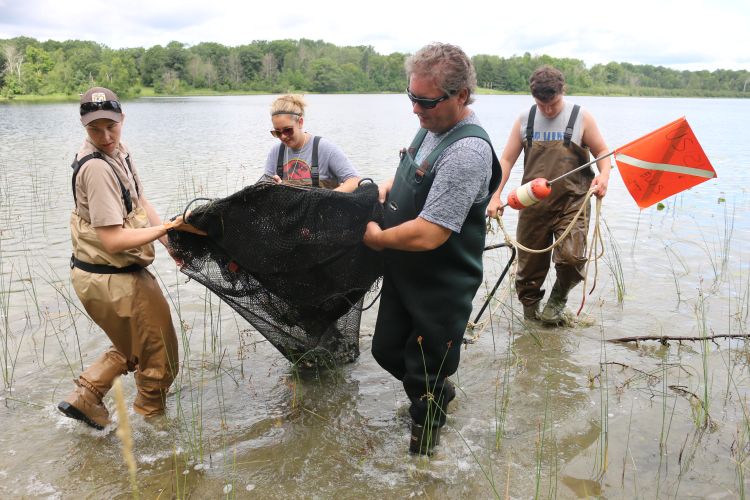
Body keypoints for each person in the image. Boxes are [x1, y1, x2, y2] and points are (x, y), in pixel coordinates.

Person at [363, 43, 501, 455]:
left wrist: (378, 238)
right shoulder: (430, 125)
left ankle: (422, 462)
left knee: (425, 377)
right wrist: (390, 185)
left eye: (425, 101)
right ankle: (439, 394)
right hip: (406, 274)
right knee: (386, 350)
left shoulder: (468, 151)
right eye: (411, 97)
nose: (415, 110)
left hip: (442, 284)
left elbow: (431, 233)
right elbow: (416, 176)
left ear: (461, 96)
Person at [58, 87, 197, 430]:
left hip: (98, 275)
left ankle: (85, 396)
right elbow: (114, 239)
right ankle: (152, 435)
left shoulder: (118, 151)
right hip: (113, 278)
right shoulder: (97, 169)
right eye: (95, 129)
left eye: (111, 126)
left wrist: (167, 242)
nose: (105, 136)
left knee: (132, 345)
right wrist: (172, 225)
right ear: (83, 125)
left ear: (122, 120)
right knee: (160, 358)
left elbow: (140, 201)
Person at [486, 65, 611, 325]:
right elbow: (507, 160)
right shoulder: (525, 119)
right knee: (528, 270)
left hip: (573, 203)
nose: (547, 110)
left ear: (562, 91)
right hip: (533, 206)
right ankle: (531, 322)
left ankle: (558, 299)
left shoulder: (581, 117)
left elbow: (602, 153)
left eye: (552, 104)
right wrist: (495, 196)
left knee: (572, 258)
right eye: (541, 104)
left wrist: (604, 176)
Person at [264, 94, 360, 192]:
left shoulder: (325, 148)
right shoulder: (275, 152)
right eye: (277, 132)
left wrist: (329, 197)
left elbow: (354, 181)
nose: (283, 136)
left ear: (300, 122)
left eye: (287, 130)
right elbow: (264, 187)